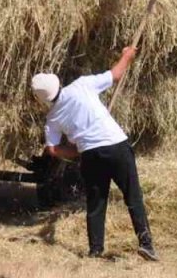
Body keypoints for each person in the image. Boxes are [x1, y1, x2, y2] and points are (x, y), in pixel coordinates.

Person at [31, 46, 158, 262]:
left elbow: (52, 149)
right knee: (133, 196)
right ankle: (146, 244)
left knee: (96, 203)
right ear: (57, 82)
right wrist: (127, 56)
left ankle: (95, 250)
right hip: (116, 145)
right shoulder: (81, 85)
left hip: (90, 155)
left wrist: (75, 150)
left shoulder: (52, 118)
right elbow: (116, 74)